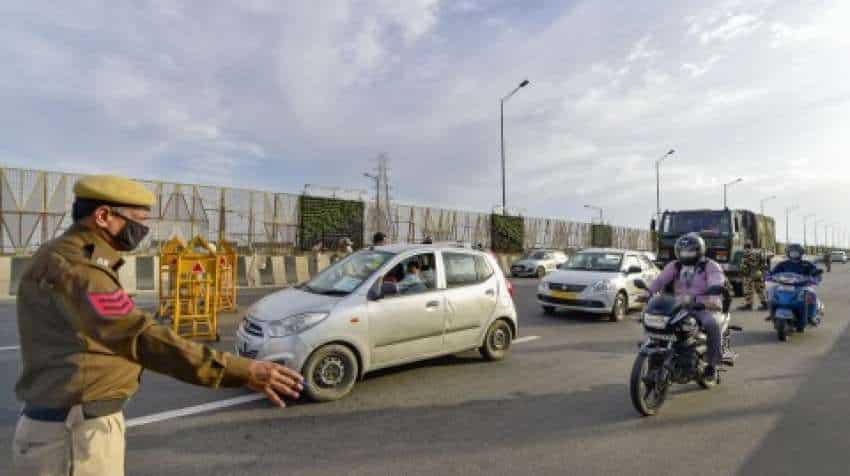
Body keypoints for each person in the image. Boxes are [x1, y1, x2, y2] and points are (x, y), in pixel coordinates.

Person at [12, 175, 304, 476]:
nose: (142, 230)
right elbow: (140, 336)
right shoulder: (82, 270)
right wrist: (240, 370)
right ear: (103, 216)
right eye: (137, 220)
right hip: (74, 437)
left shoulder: (67, 255)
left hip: (69, 426)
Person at [644, 232, 727, 380]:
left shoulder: (710, 265)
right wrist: (648, 292)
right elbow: (660, 280)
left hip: (702, 305)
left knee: (711, 324)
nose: (686, 254)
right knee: (661, 325)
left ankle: (713, 365)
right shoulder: (675, 265)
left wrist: (713, 299)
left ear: (699, 250)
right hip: (679, 305)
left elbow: (717, 282)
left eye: (690, 251)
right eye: (683, 251)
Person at [770, 243, 822, 325]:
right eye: (792, 251)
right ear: (788, 253)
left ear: (801, 253)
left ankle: (811, 316)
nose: (794, 253)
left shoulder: (806, 264)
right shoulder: (783, 264)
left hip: (802, 286)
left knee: (811, 294)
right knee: (771, 291)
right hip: (784, 285)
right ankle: (772, 314)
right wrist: (768, 276)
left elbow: (815, 273)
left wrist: (815, 278)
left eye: (796, 252)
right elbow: (773, 273)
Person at [738, 241, 768, 311]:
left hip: (749, 274)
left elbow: (744, 265)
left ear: (745, 247)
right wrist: (762, 271)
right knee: (760, 289)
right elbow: (763, 263)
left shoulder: (746, 253)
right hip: (758, 273)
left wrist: (742, 273)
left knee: (748, 290)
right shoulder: (758, 252)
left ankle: (749, 304)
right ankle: (765, 304)